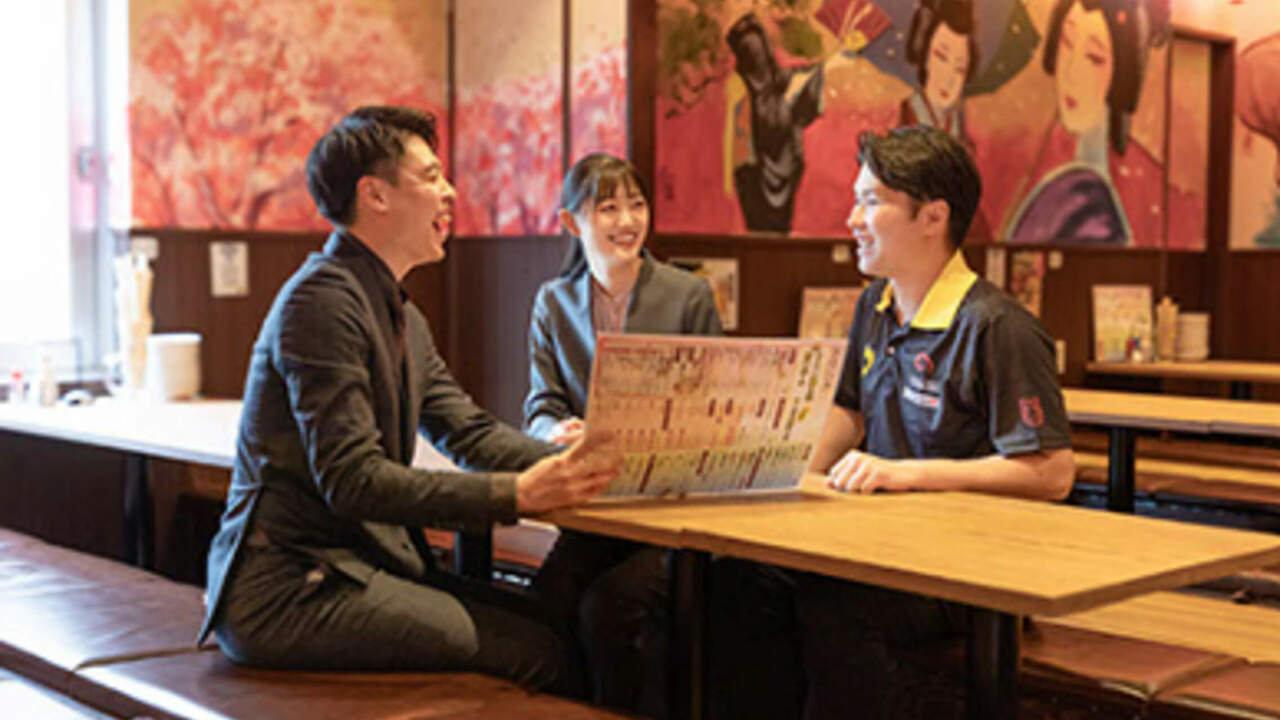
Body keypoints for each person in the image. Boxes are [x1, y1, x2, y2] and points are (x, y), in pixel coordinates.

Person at [198, 106, 621, 695]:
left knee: (554, 623)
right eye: (430, 177)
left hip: (356, 567)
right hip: (291, 588)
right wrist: (517, 494)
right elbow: (352, 480)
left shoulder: (398, 312)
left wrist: (576, 464)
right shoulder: (321, 302)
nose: (450, 192)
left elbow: (467, 431)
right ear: (374, 195)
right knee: (541, 654)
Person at [798, 126, 1075, 719]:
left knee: (831, 607)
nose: (852, 219)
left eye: (870, 202)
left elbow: (1051, 473)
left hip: (969, 571)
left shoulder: (999, 327)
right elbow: (848, 409)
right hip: (879, 546)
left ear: (933, 217)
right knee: (744, 584)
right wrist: (789, 476)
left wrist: (906, 475)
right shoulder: (874, 305)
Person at [523, 152, 724, 716]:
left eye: (636, 205)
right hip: (596, 505)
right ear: (572, 222)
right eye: (607, 208)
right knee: (546, 603)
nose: (627, 220)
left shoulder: (688, 295)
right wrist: (554, 429)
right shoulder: (553, 302)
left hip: (671, 509)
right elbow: (540, 405)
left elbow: (715, 408)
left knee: (608, 609)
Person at [1006, 0, 1169, 246]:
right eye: (1066, 43)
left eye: (1094, 58)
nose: (1071, 74)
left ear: (1122, 72)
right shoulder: (1029, 155)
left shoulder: (1145, 185)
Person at [900, 0, 977, 148]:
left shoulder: (962, 140)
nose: (949, 79)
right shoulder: (903, 127)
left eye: (960, 69)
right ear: (925, 56)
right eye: (941, 57)